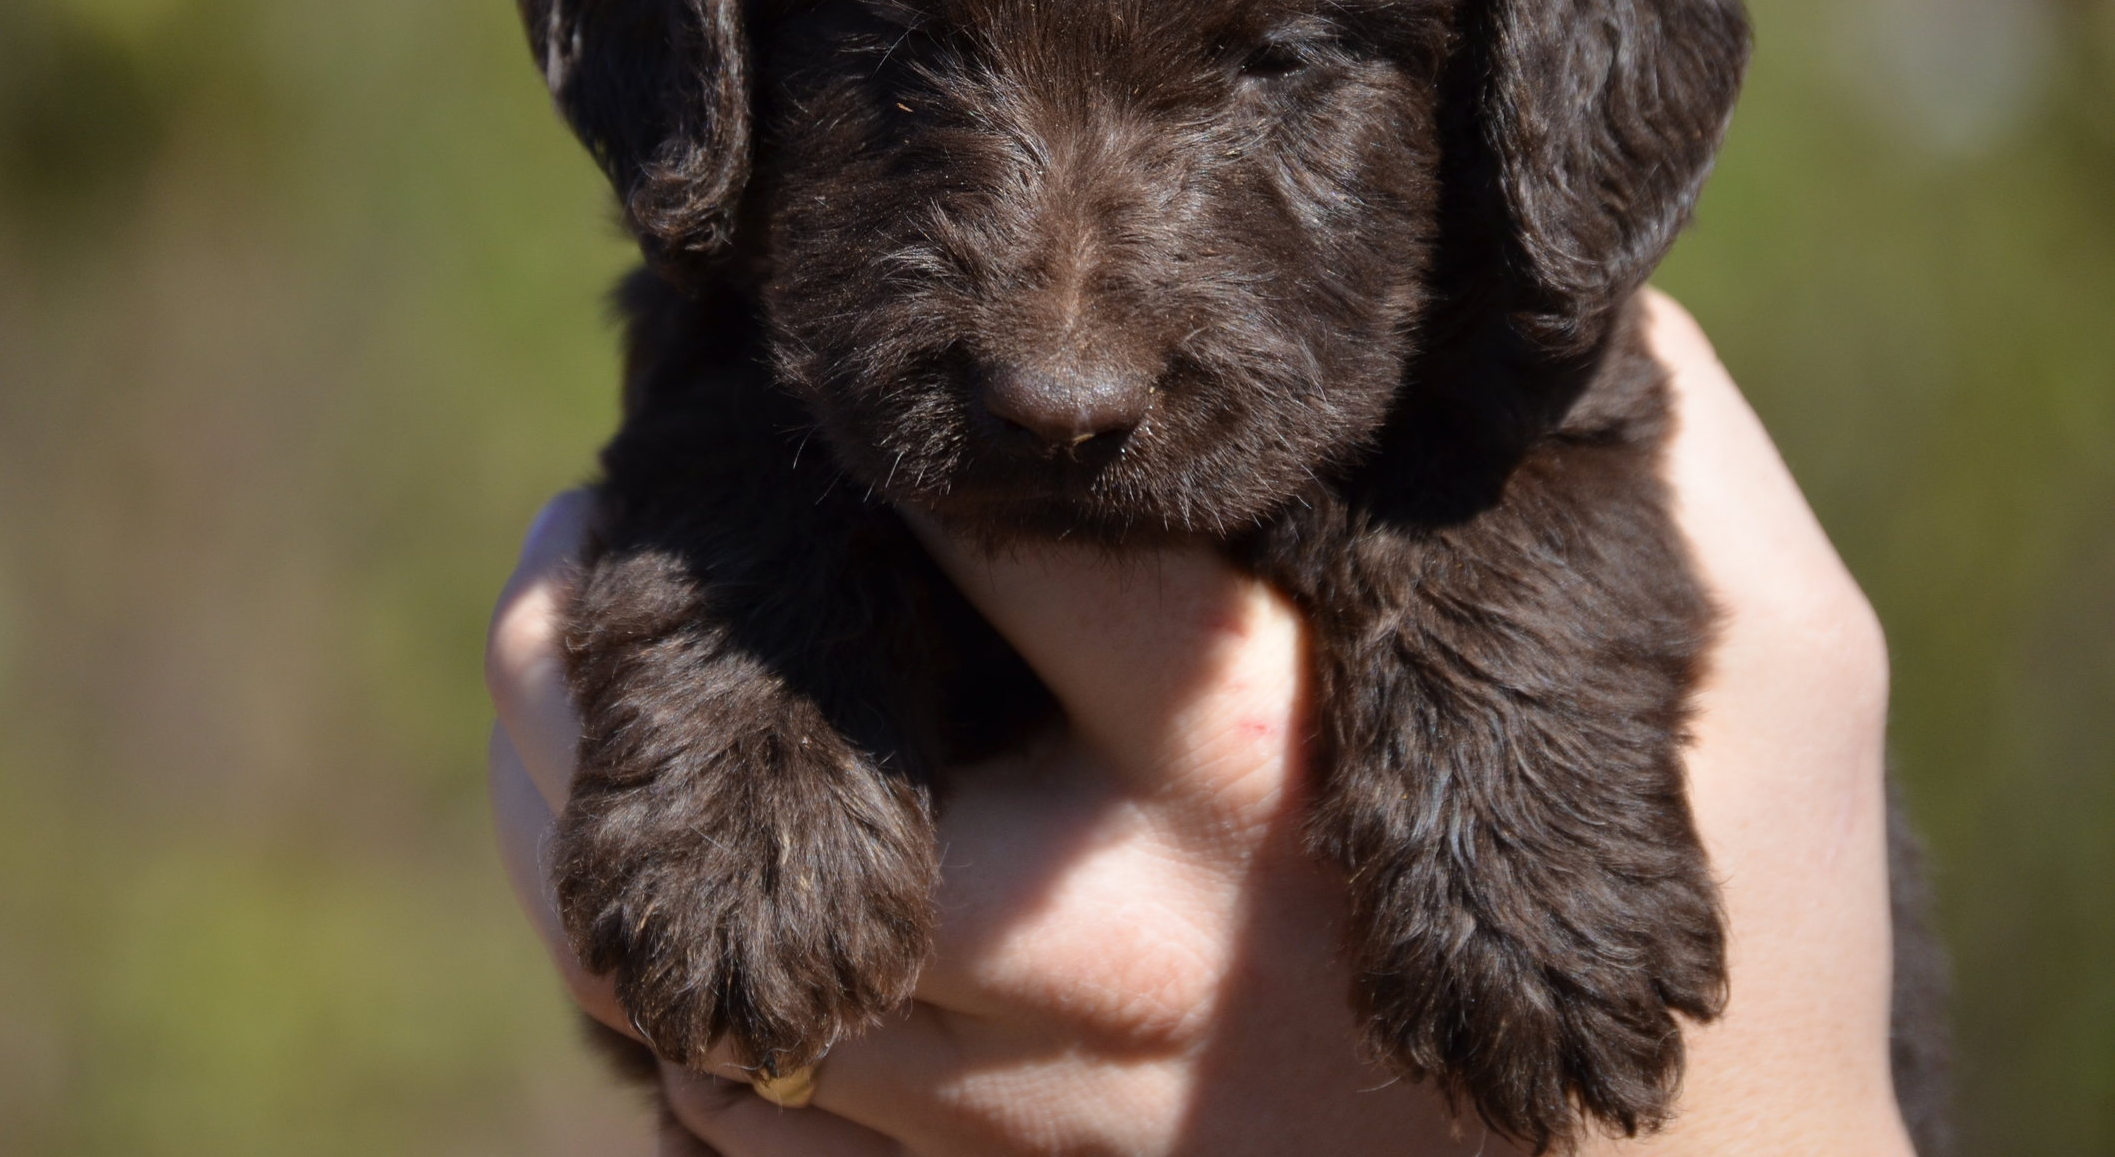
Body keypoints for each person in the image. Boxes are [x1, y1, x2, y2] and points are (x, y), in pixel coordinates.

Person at [485, 294, 1917, 1155]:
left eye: (1268, 63)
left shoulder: (1486, 373)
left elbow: (1562, 436)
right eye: (905, 50)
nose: (1061, 353)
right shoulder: (777, 388)